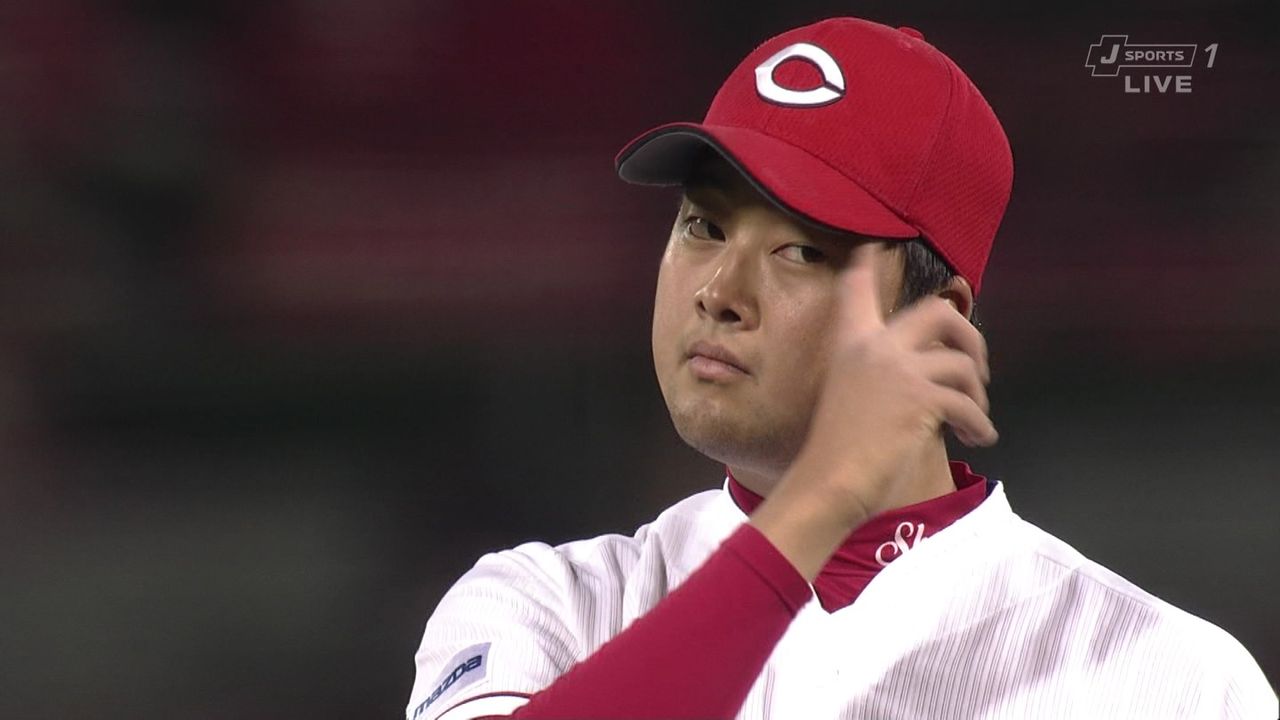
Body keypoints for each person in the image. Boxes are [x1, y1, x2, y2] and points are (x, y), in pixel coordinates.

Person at [404, 17, 1276, 720]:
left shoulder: (1173, 682)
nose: (719, 292)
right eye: (704, 226)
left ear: (936, 323)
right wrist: (823, 502)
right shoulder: (548, 605)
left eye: (800, 251)